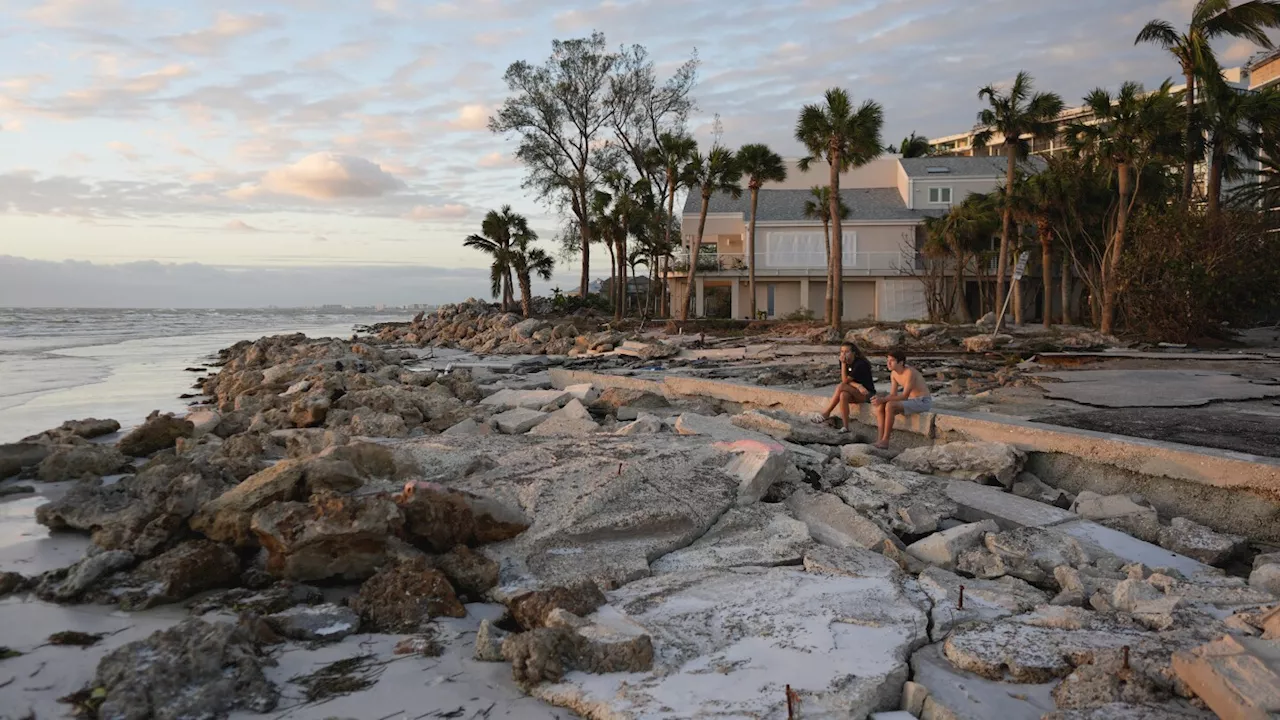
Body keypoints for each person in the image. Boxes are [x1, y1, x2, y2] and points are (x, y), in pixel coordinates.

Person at [871, 349, 932, 449]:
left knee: (890, 405)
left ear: (901, 362)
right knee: (881, 406)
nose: (888, 363)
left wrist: (883, 399)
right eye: (887, 360)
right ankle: (880, 440)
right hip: (911, 401)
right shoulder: (894, 374)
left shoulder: (909, 373)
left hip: (923, 401)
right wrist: (881, 400)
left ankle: (886, 441)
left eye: (892, 360)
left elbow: (904, 396)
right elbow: (893, 394)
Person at [815, 342, 875, 432]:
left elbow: (845, 381)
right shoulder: (843, 361)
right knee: (843, 395)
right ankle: (845, 427)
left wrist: (843, 364)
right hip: (854, 391)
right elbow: (847, 381)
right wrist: (858, 385)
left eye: (847, 352)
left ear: (854, 353)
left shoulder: (860, 364)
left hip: (867, 394)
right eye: (842, 352)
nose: (844, 354)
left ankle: (826, 412)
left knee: (841, 386)